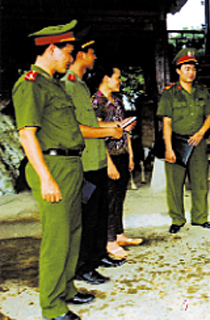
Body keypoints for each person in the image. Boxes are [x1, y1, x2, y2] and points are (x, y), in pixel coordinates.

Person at [12, 20, 122, 320]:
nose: (71, 58)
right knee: (57, 238)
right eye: (68, 52)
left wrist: (108, 130)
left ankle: (67, 289)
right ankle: (52, 307)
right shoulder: (31, 84)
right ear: (51, 48)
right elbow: (26, 134)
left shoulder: (55, 85)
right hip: (53, 167)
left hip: (72, 165)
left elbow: (73, 128)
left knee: (74, 232)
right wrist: (46, 178)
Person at [61, 41, 130, 285]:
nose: (95, 57)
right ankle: (84, 266)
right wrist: (110, 131)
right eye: (91, 53)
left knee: (100, 214)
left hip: (97, 159)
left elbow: (92, 124)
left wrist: (112, 129)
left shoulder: (79, 85)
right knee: (88, 218)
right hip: (86, 162)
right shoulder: (68, 85)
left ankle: (98, 256)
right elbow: (78, 129)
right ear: (81, 54)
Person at [156, 48, 210, 234]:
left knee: (200, 182)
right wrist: (168, 148)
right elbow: (166, 123)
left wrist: (200, 134)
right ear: (178, 70)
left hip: (197, 143)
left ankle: (200, 218)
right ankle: (177, 219)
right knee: (175, 184)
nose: (191, 72)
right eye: (186, 68)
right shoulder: (169, 93)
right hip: (176, 143)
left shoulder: (202, 91)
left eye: (193, 69)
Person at [91, 65, 142, 259]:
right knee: (109, 199)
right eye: (117, 77)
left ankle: (119, 234)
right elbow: (95, 132)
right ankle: (109, 240)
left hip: (121, 153)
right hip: (107, 156)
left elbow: (124, 130)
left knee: (120, 196)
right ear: (105, 78)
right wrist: (109, 163)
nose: (120, 81)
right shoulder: (96, 102)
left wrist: (130, 154)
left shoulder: (118, 101)